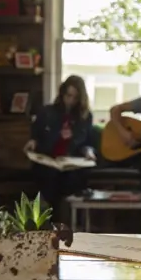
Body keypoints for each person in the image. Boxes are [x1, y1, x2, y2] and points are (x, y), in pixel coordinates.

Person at [23, 75, 95, 215]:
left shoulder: (85, 116)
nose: (71, 101)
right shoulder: (47, 112)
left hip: (72, 162)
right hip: (48, 159)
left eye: (75, 97)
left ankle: (66, 221)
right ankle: (50, 221)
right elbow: (36, 135)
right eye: (68, 96)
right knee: (49, 178)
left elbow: (88, 142)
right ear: (62, 94)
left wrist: (89, 152)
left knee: (72, 179)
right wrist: (33, 142)